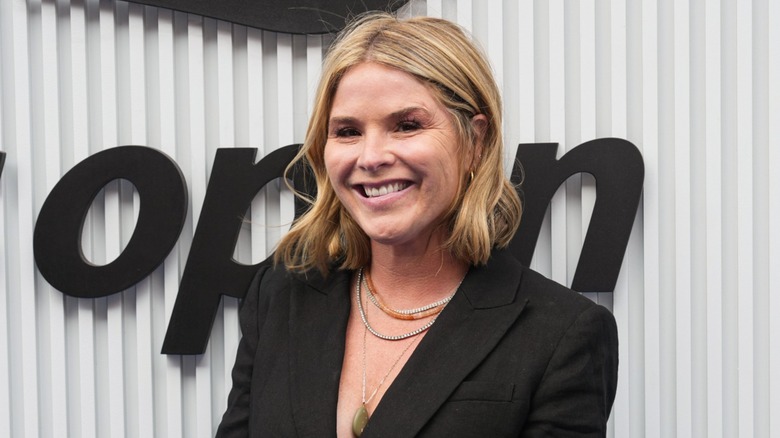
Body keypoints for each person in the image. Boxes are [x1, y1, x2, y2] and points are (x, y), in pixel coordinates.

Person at [216, 12, 618, 438]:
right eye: (348, 131)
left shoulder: (562, 335)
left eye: (407, 126)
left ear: (476, 142)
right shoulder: (280, 295)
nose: (370, 157)